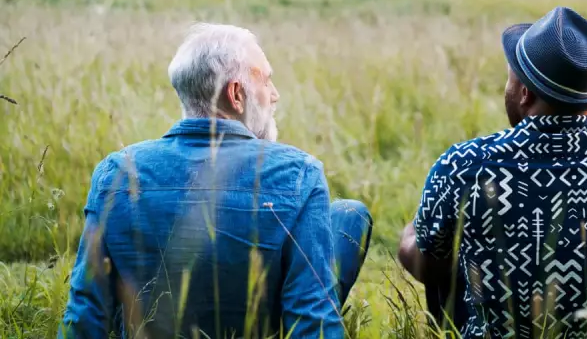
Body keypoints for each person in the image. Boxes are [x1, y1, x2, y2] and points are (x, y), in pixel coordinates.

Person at [398, 7, 587, 338]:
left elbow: (425, 265)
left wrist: (413, 232)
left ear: (525, 93)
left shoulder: (465, 165)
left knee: (447, 251)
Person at [60, 23, 372, 339]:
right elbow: (313, 319)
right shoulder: (300, 172)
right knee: (348, 215)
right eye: (266, 80)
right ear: (236, 95)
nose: (275, 94)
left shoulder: (116, 171)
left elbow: (86, 313)